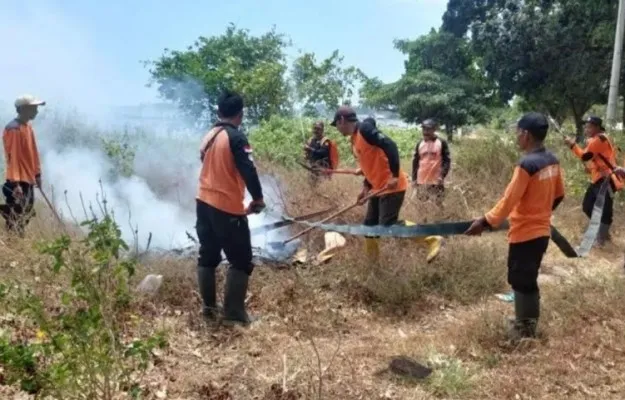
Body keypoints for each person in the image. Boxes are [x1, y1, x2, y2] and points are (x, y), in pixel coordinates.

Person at [465, 112, 565, 341]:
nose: (516, 137)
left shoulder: (526, 164)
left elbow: (508, 200)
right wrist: (541, 213)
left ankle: (525, 330)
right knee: (526, 277)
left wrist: (485, 221)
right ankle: (524, 322)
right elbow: (559, 194)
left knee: (521, 279)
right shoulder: (552, 160)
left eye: (518, 133)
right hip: (541, 231)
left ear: (526, 135)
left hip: (526, 233)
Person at [330, 105, 442, 263]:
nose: (337, 129)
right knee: (369, 228)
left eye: (337, 125)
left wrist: (395, 176)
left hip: (392, 186)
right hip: (378, 188)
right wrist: (365, 189)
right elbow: (370, 166)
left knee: (387, 225)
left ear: (342, 120)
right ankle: (372, 264)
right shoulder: (354, 140)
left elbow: (391, 145)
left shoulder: (365, 130)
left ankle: (431, 238)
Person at [196, 90, 266, 326]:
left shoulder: (209, 135)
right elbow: (249, 170)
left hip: (202, 203)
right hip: (226, 208)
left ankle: (208, 309)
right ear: (241, 114)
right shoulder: (237, 138)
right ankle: (234, 315)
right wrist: (257, 199)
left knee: (208, 256)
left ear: (218, 111)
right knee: (241, 260)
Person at [564, 116, 622, 246]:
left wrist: (572, 145)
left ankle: (601, 238)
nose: (586, 128)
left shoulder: (598, 140)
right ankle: (600, 232)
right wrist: (592, 168)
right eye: (586, 126)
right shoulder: (601, 138)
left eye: (589, 126)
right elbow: (601, 158)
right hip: (598, 178)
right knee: (587, 206)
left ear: (596, 127)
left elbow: (585, 156)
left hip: (606, 180)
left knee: (605, 209)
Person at [1, 94, 45, 237]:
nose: (37, 111)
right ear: (24, 109)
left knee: (26, 210)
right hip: (18, 181)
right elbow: (12, 158)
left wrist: (37, 174)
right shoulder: (13, 129)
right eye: (34, 108)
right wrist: (16, 184)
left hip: (28, 178)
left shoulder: (28, 127)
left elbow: (34, 152)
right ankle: (13, 239)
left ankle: (16, 237)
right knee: (17, 213)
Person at [411, 119, 451, 207]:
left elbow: (447, 161)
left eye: (428, 129)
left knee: (438, 204)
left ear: (434, 129)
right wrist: (414, 179)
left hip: (436, 180)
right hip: (421, 180)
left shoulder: (441, 142)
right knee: (423, 206)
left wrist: (442, 175)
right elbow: (415, 162)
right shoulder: (420, 143)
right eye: (424, 129)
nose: (425, 132)